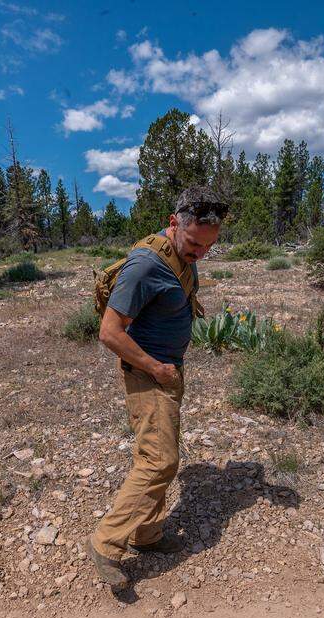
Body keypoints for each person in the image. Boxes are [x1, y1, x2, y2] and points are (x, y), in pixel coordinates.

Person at [86, 186, 227, 591]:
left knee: (157, 452)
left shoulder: (183, 256)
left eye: (208, 247)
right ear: (173, 224)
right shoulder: (145, 266)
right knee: (161, 460)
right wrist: (155, 367)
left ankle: (146, 534)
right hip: (147, 373)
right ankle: (105, 542)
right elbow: (109, 332)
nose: (200, 254)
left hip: (168, 370)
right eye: (194, 244)